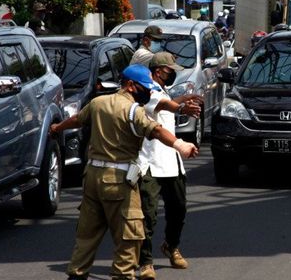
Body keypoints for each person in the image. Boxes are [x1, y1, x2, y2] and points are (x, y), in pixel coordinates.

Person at [50, 65, 199, 280]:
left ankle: (77, 274)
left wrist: (56, 128)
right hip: (118, 181)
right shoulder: (133, 111)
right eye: (145, 87)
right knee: (130, 235)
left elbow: (77, 120)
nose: (148, 92)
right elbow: (155, 130)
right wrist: (179, 144)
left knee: (87, 235)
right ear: (130, 85)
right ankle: (122, 276)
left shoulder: (98, 103)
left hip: (92, 178)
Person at [137, 52, 203, 280]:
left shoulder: (161, 89)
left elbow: (167, 102)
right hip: (150, 163)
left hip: (171, 160)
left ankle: (171, 246)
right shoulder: (148, 91)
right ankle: (145, 262)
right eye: (170, 70)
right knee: (148, 215)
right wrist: (182, 109)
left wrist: (184, 100)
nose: (173, 73)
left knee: (179, 209)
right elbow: (162, 104)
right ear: (159, 71)